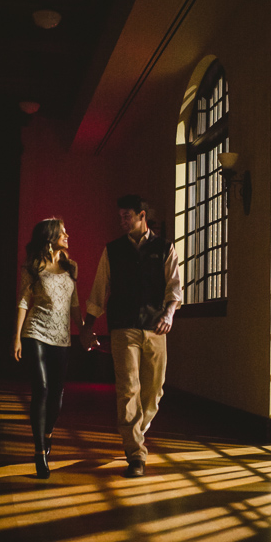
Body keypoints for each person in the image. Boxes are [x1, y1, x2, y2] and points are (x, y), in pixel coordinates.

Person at [80, 194, 182, 477]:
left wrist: (169, 314)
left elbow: (174, 288)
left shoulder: (164, 248)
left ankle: (135, 429)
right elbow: (99, 291)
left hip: (155, 327)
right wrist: (88, 326)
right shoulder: (112, 250)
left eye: (127, 216)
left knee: (154, 390)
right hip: (123, 327)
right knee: (128, 389)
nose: (122, 222)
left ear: (141, 216)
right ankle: (135, 452)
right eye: (120, 217)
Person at [13, 218, 84, 478]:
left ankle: (48, 434)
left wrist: (85, 332)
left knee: (57, 396)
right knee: (41, 388)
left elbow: (74, 304)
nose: (67, 234)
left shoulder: (69, 267)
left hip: (62, 338)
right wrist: (17, 337)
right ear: (49, 236)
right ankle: (40, 451)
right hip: (36, 333)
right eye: (62, 232)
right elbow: (23, 301)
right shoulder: (32, 267)